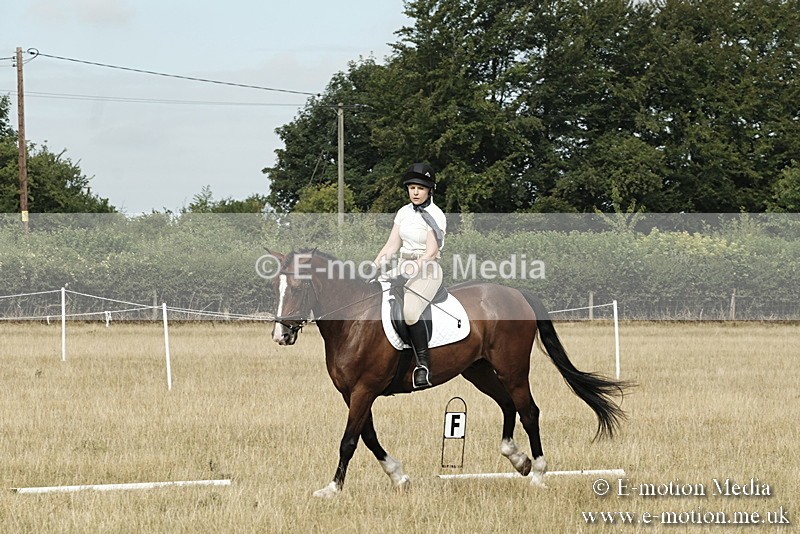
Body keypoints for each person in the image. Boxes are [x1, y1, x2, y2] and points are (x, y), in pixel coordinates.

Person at [373, 163, 446, 389]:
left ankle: (422, 365)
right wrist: (373, 266)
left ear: (429, 190)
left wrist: (410, 270)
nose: (415, 192)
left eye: (420, 188)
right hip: (402, 266)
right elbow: (391, 245)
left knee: (411, 312)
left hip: (427, 269)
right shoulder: (403, 213)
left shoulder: (436, 215)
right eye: (412, 187)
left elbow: (431, 252)